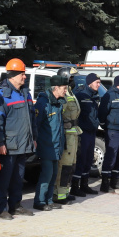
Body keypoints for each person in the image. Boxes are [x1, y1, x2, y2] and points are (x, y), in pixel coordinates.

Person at [0, 59, 37, 219]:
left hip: (24, 144)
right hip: (9, 146)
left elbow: (32, 119)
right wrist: (0, 143)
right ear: (13, 75)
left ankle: (16, 206)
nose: (25, 77)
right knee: (4, 179)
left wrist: (34, 138)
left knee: (18, 178)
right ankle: (0, 208)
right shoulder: (1, 96)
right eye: (22, 74)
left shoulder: (26, 93)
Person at [34, 75, 67, 211]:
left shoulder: (58, 102)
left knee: (53, 173)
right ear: (56, 88)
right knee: (47, 173)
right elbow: (36, 124)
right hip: (46, 144)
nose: (66, 91)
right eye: (64, 88)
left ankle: (48, 200)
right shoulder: (43, 103)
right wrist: (36, 141)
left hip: (56, 145)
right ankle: (39, 201)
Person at [53, 66, 82, 205]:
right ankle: (59, 195)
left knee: (71, 165)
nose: (73, 81)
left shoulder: (70, 93)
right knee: (64, 166)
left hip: (73, 134)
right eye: (71, 78)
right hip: (66, 134)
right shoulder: (62, 94)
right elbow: (58, 114)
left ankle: (65, 192)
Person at [98, 75, 119, 192]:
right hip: (113, 131)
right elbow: (102, 112)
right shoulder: (109, 95)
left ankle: (114, 181)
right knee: (111, 157)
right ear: (118, 84)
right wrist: (105, 125)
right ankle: (105, 183)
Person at [71, 73, 101, 196]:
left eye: (99, 82)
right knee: (81, 160)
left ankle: (84, 184)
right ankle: (74, 186)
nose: (98, 85)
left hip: (92, 132)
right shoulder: (81, 95)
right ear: (90, 83)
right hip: (83, 132)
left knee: (89, 159)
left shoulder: (95, 96)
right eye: (97, 82)